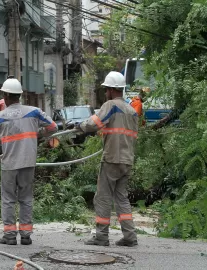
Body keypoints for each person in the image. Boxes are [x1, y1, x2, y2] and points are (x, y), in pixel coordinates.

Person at [0, 75, 58, 245]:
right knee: (26, 198)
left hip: (9, 164)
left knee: (8, 199)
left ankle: (9, 236)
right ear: (19, 95)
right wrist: (39, 134)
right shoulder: (34, 112)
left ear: (7, 96)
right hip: (28, 162)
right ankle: (25, 235)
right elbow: (53, 127)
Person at [75, 71, 139, 247]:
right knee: (121, 198)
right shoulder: (132, 111)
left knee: (102, 197)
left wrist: (79, 127)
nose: (105, 93)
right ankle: (130, 236)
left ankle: (101, 236)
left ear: (111, 90)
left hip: (112, 158)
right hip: (127, 160)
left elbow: (94, 123)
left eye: (106, 90)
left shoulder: (110, 105)